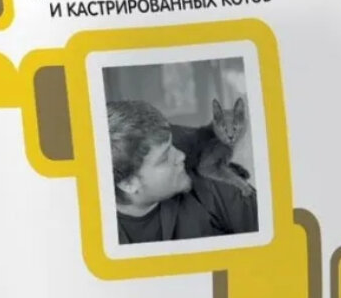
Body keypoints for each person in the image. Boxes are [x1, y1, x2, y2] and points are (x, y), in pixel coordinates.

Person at [106, 99, 258, 245]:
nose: (181, 156)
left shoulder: (220, 190)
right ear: (128, 183)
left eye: (173, 144)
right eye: (165, 157)